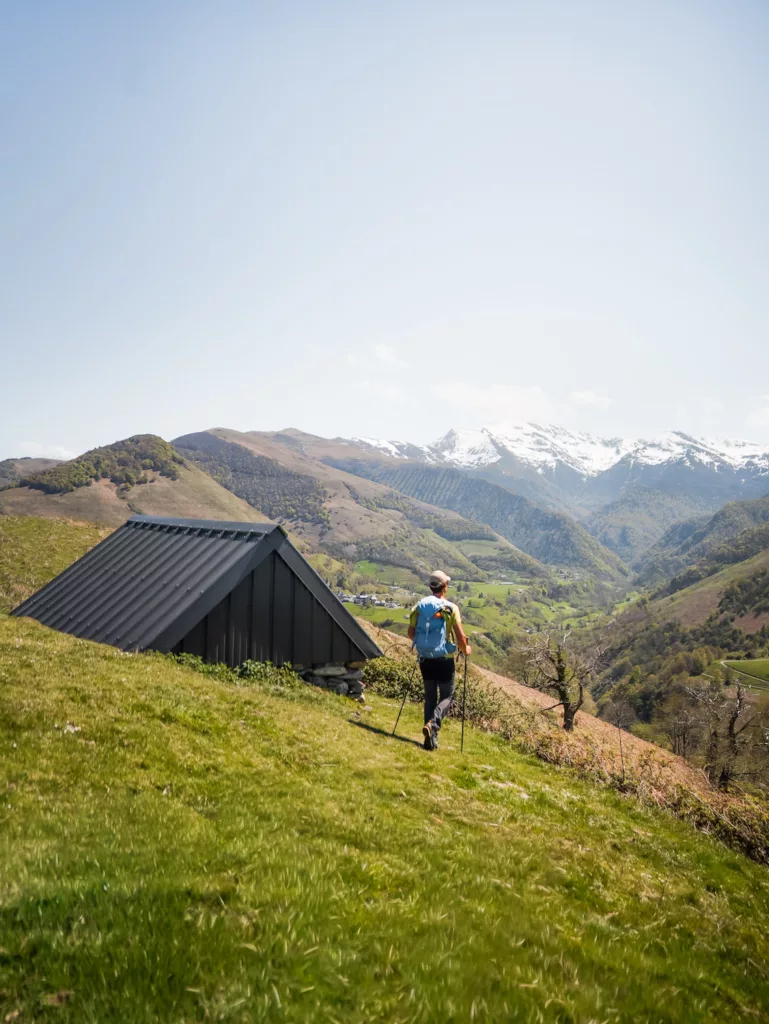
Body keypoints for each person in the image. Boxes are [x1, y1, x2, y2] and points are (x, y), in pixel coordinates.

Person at [408, 570, 471, 751]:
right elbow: (460, 637)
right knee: (448, 697)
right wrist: (466, 649)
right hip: (444, 659)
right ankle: (433, 723)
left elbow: (411, 633)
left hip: (425, 658)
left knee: (429, 697)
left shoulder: (419, 607)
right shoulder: (450, 608)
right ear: (445, 587)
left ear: (430, 586)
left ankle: (429, 741)